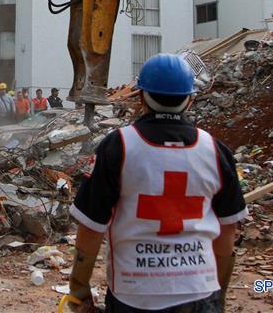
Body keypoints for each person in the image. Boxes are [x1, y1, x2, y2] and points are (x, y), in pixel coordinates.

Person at [68, 53, 247, 312]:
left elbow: (91, 227)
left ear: (141, 97)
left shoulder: (119, 146)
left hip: (134, 294)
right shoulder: (214, 150)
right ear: (190, 99)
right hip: (199, 291)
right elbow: (227, 230)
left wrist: (79, 289)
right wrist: (218, 295)